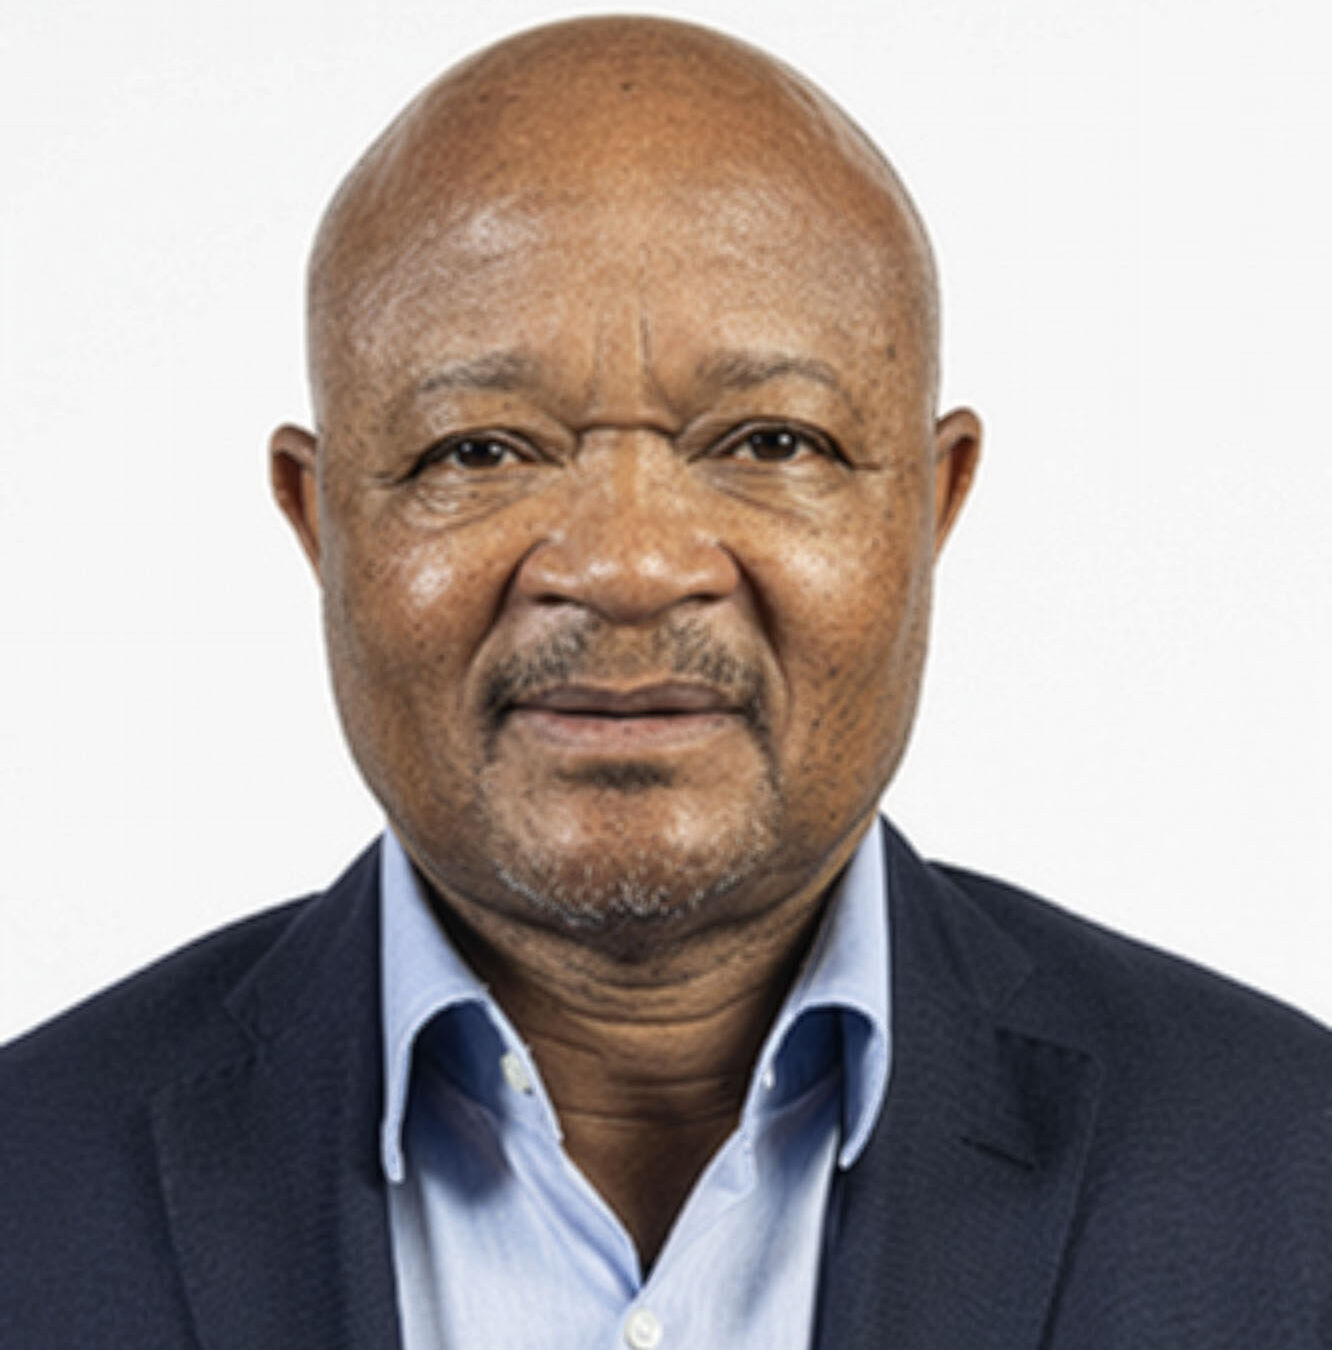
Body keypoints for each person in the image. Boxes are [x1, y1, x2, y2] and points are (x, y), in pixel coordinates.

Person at [1, 15, 1328, 1348]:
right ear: (320, 517)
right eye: (480, 451)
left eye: (771, 441)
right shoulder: (30, 1190)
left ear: (931, 505)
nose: (629, 565)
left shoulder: (1292, 1173)